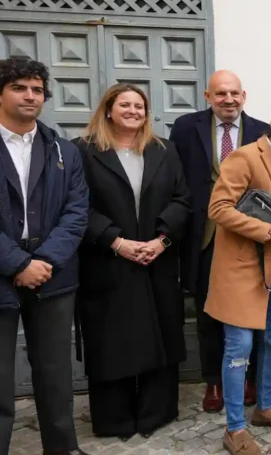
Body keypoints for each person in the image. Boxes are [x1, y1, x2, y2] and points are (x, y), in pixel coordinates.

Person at [75, 83, 191, 440]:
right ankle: (116, 420)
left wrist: (161, 241)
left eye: (139, 106)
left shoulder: (164, 150)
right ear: (108, 110)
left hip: (157, 260)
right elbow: (77, 206)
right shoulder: (83, 151)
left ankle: (156, 412)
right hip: (107, 262)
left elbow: (182, 201)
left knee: (160, 334)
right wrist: (116, 241)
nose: (133, 111)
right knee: (113, 341)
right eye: (124, 104)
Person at [205, 102, 271, 455]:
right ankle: (234, 429)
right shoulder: (246, 157)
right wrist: (266, 231)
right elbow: (218, 208)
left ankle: (265, 408)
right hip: (239, 268)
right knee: (239, 348)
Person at [0, 57, 89, 455]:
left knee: (55, 374)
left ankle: (62, 448)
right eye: (20, 87)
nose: (30, 96)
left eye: (37, 89)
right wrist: (17, 263)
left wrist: (44, 260)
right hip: (2, 272)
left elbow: (76, 211)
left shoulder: (63, 150)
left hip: (53, 274)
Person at [169, 70, 271, 413]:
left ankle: (250, 378)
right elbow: (175, 178)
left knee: (253, 310)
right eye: (220, 94)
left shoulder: (262, 132)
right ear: (207, 96)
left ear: (244, 96)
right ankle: (213, 380)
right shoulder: (185, 128)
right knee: (209, 311)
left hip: (250, 235)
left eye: (234, 94)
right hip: (205, 235)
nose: (228, 100)